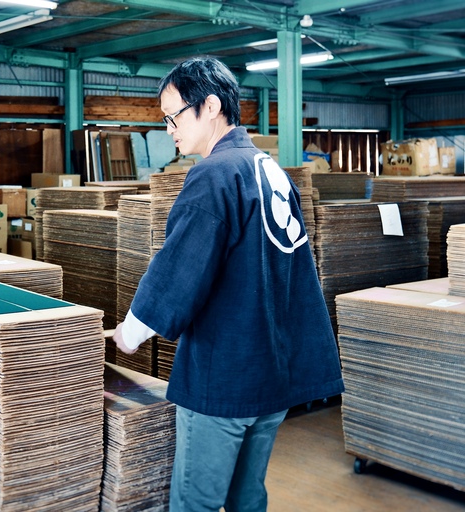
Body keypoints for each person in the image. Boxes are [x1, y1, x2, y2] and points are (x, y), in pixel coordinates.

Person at [112, 56, 344, 512]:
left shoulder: (214, 175)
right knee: (247, 497)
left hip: (226, 378)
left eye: (174, 115)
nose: (169, 130)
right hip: (273, 373)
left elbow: (181, 266)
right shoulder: (268, 170)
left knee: (197, 502)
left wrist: (134, 329)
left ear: (211, 106)